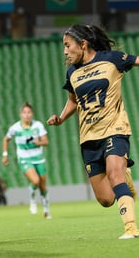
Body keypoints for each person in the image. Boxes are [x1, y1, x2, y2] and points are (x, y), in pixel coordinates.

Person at [47, 24, 139, 239]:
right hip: (88, 138)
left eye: (67, 45)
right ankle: (125, 178)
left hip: (115, 129)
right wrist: (60, 119)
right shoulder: (72, 73)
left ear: (83, 44)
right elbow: (73, 101)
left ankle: (131, 227)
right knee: (106, 199)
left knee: (114, 174)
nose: (65, 51)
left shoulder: (112, 59)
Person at [2, 102, 52, 219]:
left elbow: (46, 142)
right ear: (21, 114)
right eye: (24, 112)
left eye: (29, 112)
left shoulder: (38, 126)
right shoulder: (15, 128)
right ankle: (32, 199)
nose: (27, 115)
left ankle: (46, 210)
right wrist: (5, 155)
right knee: (35, 181)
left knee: (43, 185)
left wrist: (38, 142)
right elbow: (6, 139)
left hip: (39, 159)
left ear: (32, 114)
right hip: (25, 158)